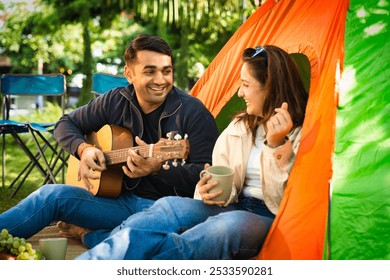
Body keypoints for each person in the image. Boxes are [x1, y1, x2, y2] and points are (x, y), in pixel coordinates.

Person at [73, 45, 309, 259]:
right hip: (234, 205)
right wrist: (206, 190)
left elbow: (285, 203)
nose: (240, 93)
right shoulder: (240, 127)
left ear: (270, 87)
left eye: (246, 85)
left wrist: (276, 147)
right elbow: (221, 180)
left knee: (222, 227)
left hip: (270, 217)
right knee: (168, 208)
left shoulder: (303, 132)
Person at [0, 34, 219, 247]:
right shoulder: (116, 100)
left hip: (164, 210)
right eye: (150, 71)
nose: (160, 80)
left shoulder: (194, 113)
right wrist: (84, 150)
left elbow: (205, 175)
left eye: (167, 71)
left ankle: (87, 235)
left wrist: (158, 170)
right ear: (129, 74)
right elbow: (65, 124)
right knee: (51, 195)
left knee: (139, 235)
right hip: (116, 202)